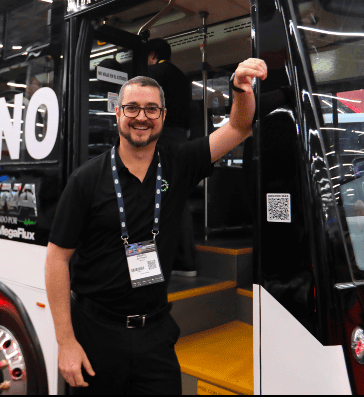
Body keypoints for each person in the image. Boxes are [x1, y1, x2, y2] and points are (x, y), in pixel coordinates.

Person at [45, 58, 266, 394]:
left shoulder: (179, 163)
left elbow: (239, 127)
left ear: (163, 116)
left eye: (151, 109)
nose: (141, 117)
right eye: (132, 108)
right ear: (118, 113)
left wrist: (239, 88)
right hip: (96, 332)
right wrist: (66, 342)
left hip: (156, 332)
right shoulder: (86, 180)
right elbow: (57, 259)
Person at [145, 39, 196, 276]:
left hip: (161, 138)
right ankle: (186, 261)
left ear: (152, 55)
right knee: (177, 195)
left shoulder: (152, 73)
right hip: (181, 140)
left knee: (147, 194)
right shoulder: (182, 77)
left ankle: (150, 266)